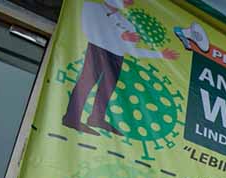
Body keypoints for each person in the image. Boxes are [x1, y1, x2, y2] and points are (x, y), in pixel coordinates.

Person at [62, 0, 178, 136]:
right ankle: (71, 117)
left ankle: (97, 118)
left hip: (117, 58)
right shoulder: (92, 7)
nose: (129, 2)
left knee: (106, 90)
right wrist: (120, 35)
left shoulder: (127, 24)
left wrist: (160, 54)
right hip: (97, 51)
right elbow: (89, 31)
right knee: (85, 84)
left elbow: (132, 51)